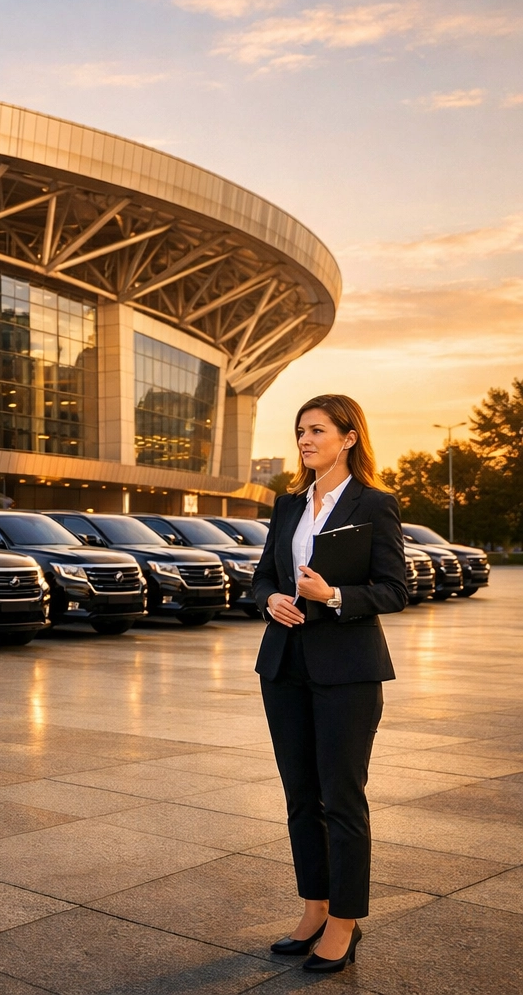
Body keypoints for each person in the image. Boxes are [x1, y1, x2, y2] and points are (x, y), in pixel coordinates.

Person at [251, 394, 407, 973]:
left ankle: (345, 920)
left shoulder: (376, 504)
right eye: (299, 432)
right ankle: (315, 907)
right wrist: (268, 597)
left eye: (317, 430)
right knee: (300, 797)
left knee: (342, 798)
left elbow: (395, 588)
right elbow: (265, 572)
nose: (304, 440)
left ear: (348, 437)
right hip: (285, 666)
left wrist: (333, 596)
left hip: (348, 671)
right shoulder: (288, 504)